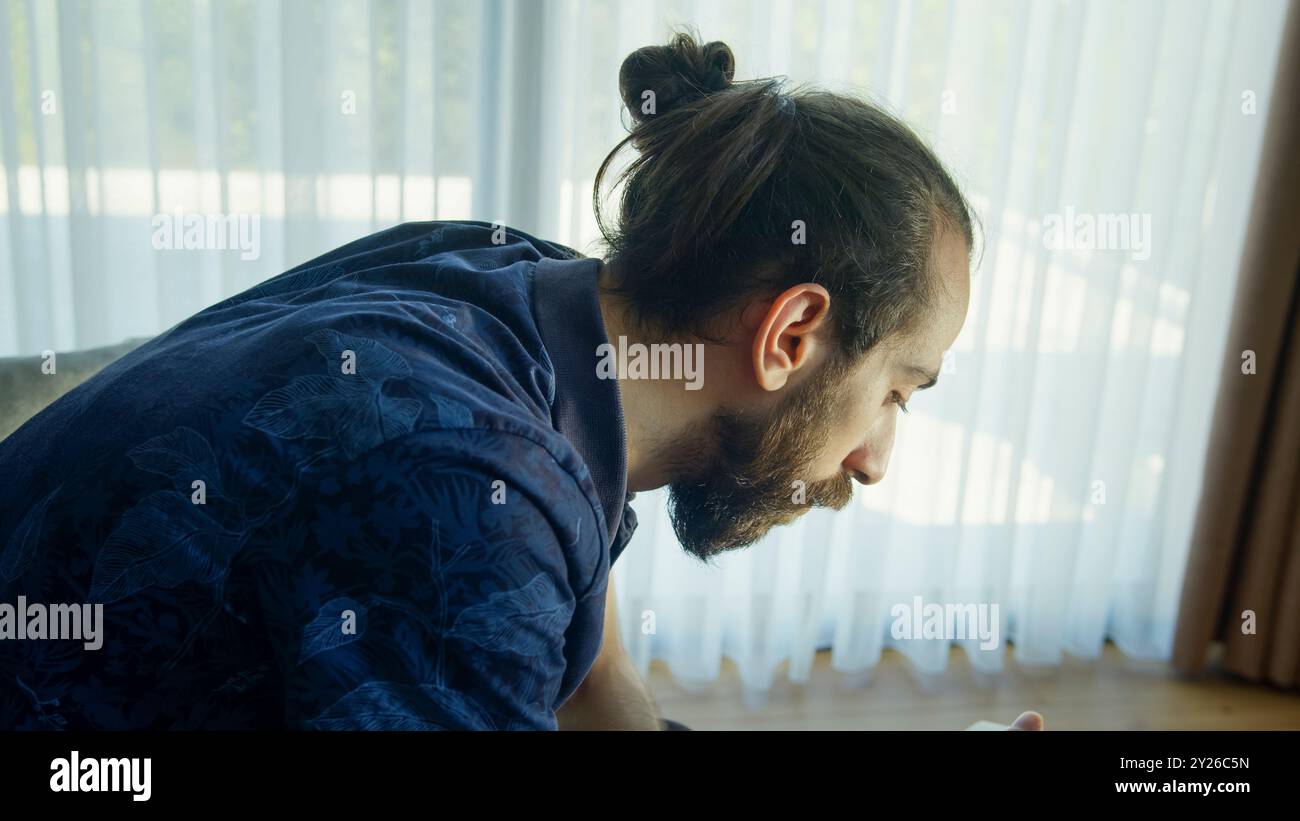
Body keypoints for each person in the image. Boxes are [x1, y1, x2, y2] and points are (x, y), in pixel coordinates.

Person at [0, 32, 1041, 731]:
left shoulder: (520, 294)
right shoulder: (466, 493)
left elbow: (597, 692)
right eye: (897, 391)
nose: (873, 461)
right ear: (792, 332)